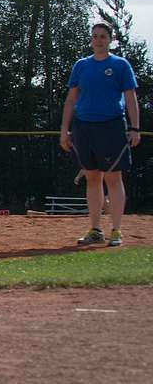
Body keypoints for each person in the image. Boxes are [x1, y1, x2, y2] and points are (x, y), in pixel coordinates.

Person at [59, 22, 141, 248]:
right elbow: (71, 99)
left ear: (110, 39)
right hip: (84, 127)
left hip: (111, 126)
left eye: (103, 36)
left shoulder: (120, 65)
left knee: (113, 178)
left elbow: (131, 98)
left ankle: (116, 230)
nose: (98, 40)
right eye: (95, 36)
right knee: (92, 177)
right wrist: (64, 130)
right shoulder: (81, 65)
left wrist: (135, 128)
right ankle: (95, 229)